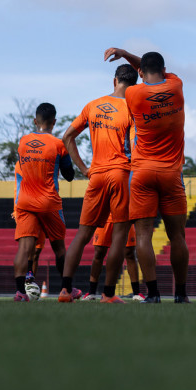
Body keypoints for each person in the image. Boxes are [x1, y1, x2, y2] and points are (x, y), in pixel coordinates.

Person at [105, 47, 190, 303]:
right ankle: (181, 294)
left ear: (140, 73)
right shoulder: (176, 86)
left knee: (143, 235)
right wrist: (129, 54)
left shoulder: (133, 93)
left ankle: (152, 294)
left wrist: (121, 53)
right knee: (178, 237)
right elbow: (150, 68)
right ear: (164, 70)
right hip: (171, 174)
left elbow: (144, 70)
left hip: (142, 173)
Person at [57, 63, 137, 304]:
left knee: (82, 234)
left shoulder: (92, 106)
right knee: (120, 235)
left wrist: (84, 169)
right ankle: (109, 294)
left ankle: (64, 291)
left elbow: (67, 137)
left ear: (114, 81)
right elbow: (135, 147)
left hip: (97, 174)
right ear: (133, 87)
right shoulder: (132, 108)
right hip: (120, 174)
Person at [12, 103, 76, 301]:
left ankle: (20, 292)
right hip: (49, 202)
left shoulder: (23, 142)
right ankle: (67, 290)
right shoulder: (58, 144)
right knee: (59, 248)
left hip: (24, 201)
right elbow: (70, 175)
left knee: (24, 248)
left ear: (35, 121)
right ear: (54, 122)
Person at [86, 214, 142, 301]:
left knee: (129, 253)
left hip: (124, 217)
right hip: (105, 218)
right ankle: (91, 292)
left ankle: (136, 293)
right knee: (99, 253)